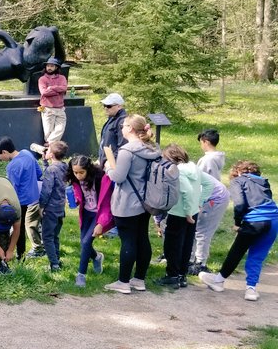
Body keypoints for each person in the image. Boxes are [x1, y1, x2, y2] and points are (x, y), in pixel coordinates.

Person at [199, 160, 278, 301]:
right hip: (274, 220)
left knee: (237, 251)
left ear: (238, 171)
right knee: (257, 256)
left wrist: (237, 223)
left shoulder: (238, 181)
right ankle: (251, 290)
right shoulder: (263, 181)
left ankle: (218, 281)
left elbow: (239, 203)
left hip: (255, 221)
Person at [103, 114, 160, 294]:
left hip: (127, 201)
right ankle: (139, 279)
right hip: (146, 201)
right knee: (142, 238)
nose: (121, 128)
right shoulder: (152, 148)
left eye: (124, 125)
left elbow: (118, 177)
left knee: (128, 241)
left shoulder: (128, 151)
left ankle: (123, 282)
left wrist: (107, 168)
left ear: (131, 129)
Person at [158, 144, 211, 288]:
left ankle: (172, 276)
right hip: (193, 211)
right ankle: (182, 275)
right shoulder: (194, 168)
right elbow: (209, 184)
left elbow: (186, 190)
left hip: (179, 212)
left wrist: (187, 211)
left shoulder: (177, 172)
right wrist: (199, 203)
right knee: (187, 243)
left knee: (172, 245)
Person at [66, 155, 114, 287]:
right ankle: (97, 257)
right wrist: (75, 200)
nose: (78, 175)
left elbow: (106, 204)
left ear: (88, 170)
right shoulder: (75, 180)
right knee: (84, 243)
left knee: (87, 242)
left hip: (98, 215)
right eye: (75, 172)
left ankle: (81, 275)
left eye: (81, 172)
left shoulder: (101, 179)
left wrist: (101, 223)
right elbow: (80, 197)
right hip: (86, 214)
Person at [0, 136, 42, 258]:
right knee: (29, 226)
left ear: (4, 152)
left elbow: (12, 188)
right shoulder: (27, 153)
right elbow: (39, 173)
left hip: (20, 201)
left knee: (18, 228)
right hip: (35, 198)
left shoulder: (12, 166)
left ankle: (20, 255)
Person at [39, 141, 69, 271]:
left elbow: (46, 190)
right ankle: (57, 260)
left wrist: (41, 206)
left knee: (47, 237)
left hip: (50, 208)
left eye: (48, 150)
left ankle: (54, 264)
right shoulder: (64, 166)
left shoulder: (51, 170)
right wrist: (45, 162)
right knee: (54, 235)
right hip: (60, 207)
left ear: (51, 154)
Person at [37, 57, 67, 144]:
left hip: (60, 108)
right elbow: (44, 92)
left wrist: (51, 88)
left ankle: (48, 146)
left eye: (52, 66)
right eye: (48, 66)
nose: (49, 68)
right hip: (48, 109)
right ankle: (50, 151)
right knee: (48, 131)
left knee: (60, 129)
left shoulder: (62, 78)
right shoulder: (42, 79)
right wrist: (57, 91)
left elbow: (64, 88)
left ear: (56, 67)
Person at [97, 93, 127, 166]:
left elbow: (123, 146)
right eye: (104, 105)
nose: (106, 108)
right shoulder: (112, 118)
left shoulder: (123, 122)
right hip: (105, 162)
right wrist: (100, 158)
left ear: (119, 106)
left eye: (109, 106)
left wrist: (111, 161)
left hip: (111, 165)